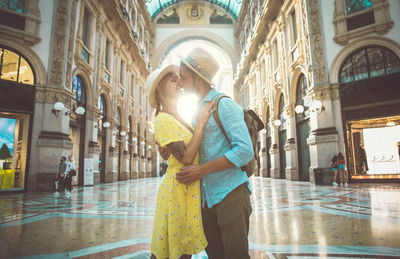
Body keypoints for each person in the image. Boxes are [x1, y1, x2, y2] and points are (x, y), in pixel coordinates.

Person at [175, 47, 254, 259]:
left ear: (198, 79)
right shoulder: (198, 110)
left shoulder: (224, 105)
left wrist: (201, 170)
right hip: (207, 200)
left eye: (183, 78)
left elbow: (245, 151)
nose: (180, 83)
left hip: (231, 195)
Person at [146, 64, 215, 259]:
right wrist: (201, 124)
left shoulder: (180, 118)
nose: (179, 83)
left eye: (179, 79)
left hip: (188, 187)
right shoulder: (162, 119)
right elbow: (185, 158)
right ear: (159, 87)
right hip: (177, 188)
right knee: (170, 248)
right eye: (172, 79)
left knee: (183, 246)